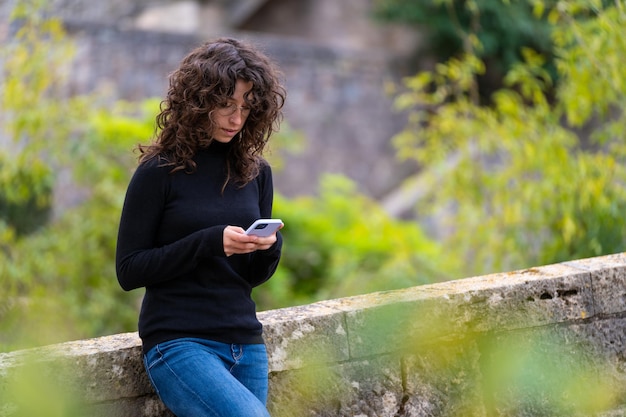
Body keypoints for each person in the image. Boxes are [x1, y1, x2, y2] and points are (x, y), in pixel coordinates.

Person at [115, 37, 286, 417]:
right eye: (225, 104)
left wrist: (267, 247)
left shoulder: (256, 172)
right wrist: (209, 242)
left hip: (245, 342)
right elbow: (129, 270)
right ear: (198, 101)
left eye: (246, 106)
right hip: (179, 342)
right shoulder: (159, 171)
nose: (236, 118)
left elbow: (253, 277)